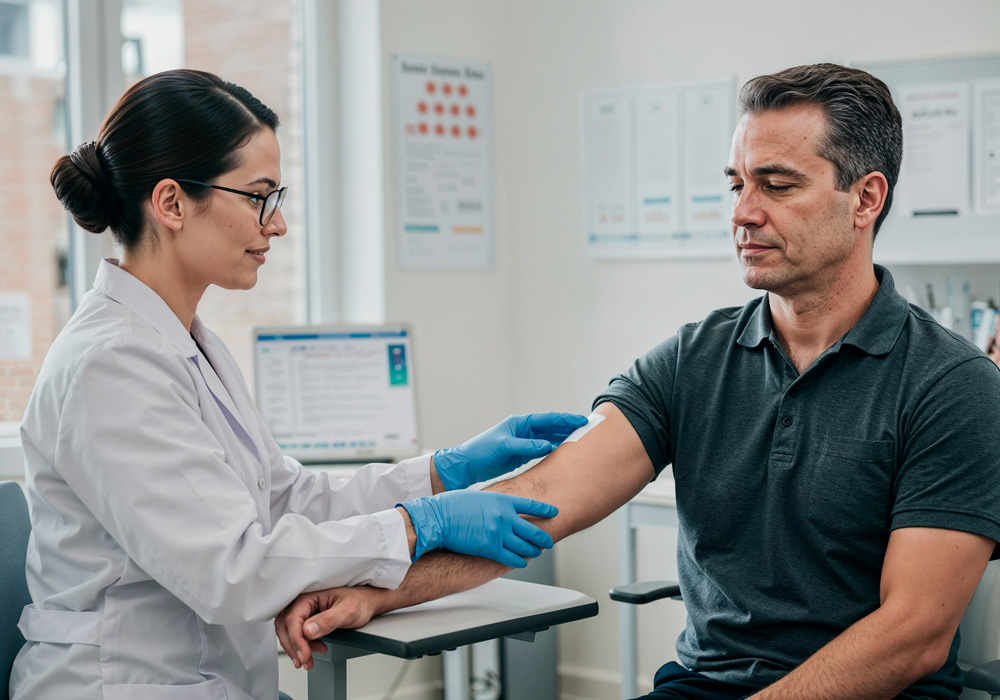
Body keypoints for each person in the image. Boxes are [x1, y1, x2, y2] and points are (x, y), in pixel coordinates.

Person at [277, 63, 1000, 700]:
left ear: (865, 199)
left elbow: (913, 635)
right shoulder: (692, 360)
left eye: (778, 185)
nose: (744, 212)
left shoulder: (951, 387)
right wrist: (381, 588)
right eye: (738, 183)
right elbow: (542, 498)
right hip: (703, 686)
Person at [10, 68, 588, 700]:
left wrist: (441, 473)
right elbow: (234, 569)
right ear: (172, 203)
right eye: (259, 197)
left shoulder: (186, 343)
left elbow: (286, 497)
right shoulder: (109, 364)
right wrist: (420, 525)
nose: (277, 225)